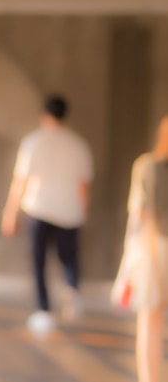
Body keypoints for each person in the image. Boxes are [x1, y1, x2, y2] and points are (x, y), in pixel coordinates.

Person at [1, 94, 93, 334]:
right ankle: (71, 289)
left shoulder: (33, 142)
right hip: (69, 210)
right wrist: (83, 211)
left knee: (38, 262)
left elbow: (20, 181)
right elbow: (83, 184)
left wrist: (10, 212)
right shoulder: (78, 144)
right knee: (69, 259)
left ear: (44, 115)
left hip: (39, 209)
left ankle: (43, 311)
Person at [111, 116, 168, 382]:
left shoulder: (147, 166)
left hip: (154, 247)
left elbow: (138, 214)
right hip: (154, 246)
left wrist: (129, 254)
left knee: (149, 319)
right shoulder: (148, 166)